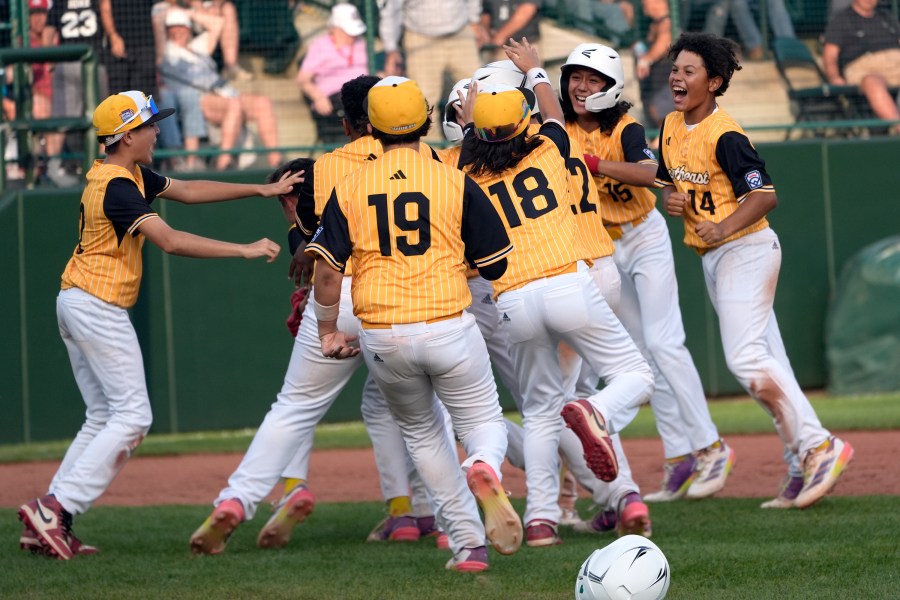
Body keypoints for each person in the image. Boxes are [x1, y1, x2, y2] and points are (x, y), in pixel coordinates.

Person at [16, 90, 297, 560]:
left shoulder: (128, 174)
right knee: (132, 417)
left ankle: (54, 520)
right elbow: (169, 241)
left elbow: (187, 191)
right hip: (96, 305)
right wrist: (243, 249)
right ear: (126, 136)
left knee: (104, 417)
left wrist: (261, 189)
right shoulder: (118, 187)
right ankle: (55, 507)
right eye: (148, 125)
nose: (156, 131)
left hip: (79, 301)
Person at [188, 76, 454, 557]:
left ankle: (235, 500)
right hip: (409, 295)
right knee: (424, 413)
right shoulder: (430, 158)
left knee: (295, 407)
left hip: (340, 293)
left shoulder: (326, 167)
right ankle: (444, 520)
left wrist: (302, 251)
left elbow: (313, 244)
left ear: (349, 122)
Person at [306, 76, 522, 573]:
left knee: (424, 438)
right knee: (482, 424)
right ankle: (484, 468)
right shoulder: (451, 177)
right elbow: (496, 265)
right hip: (447, 322)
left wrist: (326, 332)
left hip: (383, 334)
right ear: (426, 120)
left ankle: (468, 546)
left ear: (371, 128)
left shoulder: (350, 184)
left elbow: (324, 270)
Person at [457, 38, 655, 547]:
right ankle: (599, 416)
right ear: (523, 121)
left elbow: (470, 139)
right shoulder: (550, 146)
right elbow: (549, 110)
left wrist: (470, 112)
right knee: (633, 375)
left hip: (510, 301)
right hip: (571, 279)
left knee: (541, 410)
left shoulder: (464, 172)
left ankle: (542, 519)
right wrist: (537, 73)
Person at [656, 32, 855, 509]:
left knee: (745, 359)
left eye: (689, 71)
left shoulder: (726, 134)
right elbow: (669, 191)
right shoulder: (669, 125)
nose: (677, 78)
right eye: (676, 68)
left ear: (715, 81)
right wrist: (674, 200)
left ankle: (820, 446)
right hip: (717, 257)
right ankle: (798, 463)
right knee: (772, 362)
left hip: (746, 250)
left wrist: (722, 227)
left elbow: (765, 195)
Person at [560, 42, 735, 505]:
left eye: (592, 79)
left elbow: (647, 172)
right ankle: (679, 456)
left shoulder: (625, 125)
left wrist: (592, 164)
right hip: (601, 246)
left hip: (643, 235)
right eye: (576, 77)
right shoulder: (557, 128)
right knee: (640, 357)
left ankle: (711, 446)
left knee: (663, 342)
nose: (582, 86)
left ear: (610, 86)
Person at [157, 8, 282, 171]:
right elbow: (157, 26)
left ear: (189, 28)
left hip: (224, 93)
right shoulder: (165, 51)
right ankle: (224, 162)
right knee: (234, 105)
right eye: (174, 27)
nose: (179, 30)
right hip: (197, 97)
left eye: (183, 26)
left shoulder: (198, 47)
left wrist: (186, 13)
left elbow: (217, 24)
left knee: (262, 103)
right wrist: (166, 13)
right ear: (167, 30)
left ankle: (276, 162)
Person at [378, 0, 483, 128]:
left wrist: (474, 20)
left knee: (477, 93)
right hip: (420, 36)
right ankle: (431, 147)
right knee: (425, 103)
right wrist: (391, 49)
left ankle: (480, 144)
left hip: (460, 32)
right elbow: (391, 10)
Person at [42, 0, 110, 188]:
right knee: (101, 117)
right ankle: (104, 165)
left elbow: (48, 30)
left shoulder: (61, 2)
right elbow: (106, 18)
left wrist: (48, 56)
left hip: (67, 61)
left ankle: (53, 166)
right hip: (93, 62)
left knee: (63, 118)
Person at [822, 0, 900, 135]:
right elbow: (830, 57)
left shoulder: (887, 17)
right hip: (865, 68)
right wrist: (834, 77)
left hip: (895, 63)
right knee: (872, 82)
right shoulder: (841, 20)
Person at [295, 3, 369, 142]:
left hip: (364, 98)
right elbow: (303, 79)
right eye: (349, 31)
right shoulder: (320, 46)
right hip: (336, 102)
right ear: (336, 28)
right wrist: (318, 97)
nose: (354, 35)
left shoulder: (362, 44)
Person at [633, 0, 674, 141]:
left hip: (664, 87)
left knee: (663, 130)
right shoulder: (653, 24)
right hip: (652, 86)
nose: (644, 4)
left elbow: (664, 42)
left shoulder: (668, 23)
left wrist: (645, 60)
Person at [101, 0, 158, 96]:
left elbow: (163, 7)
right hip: (119, 47)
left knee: (145, 97)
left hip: (145, 45)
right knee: (118, 97)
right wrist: (113, 36)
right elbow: (105, 7)